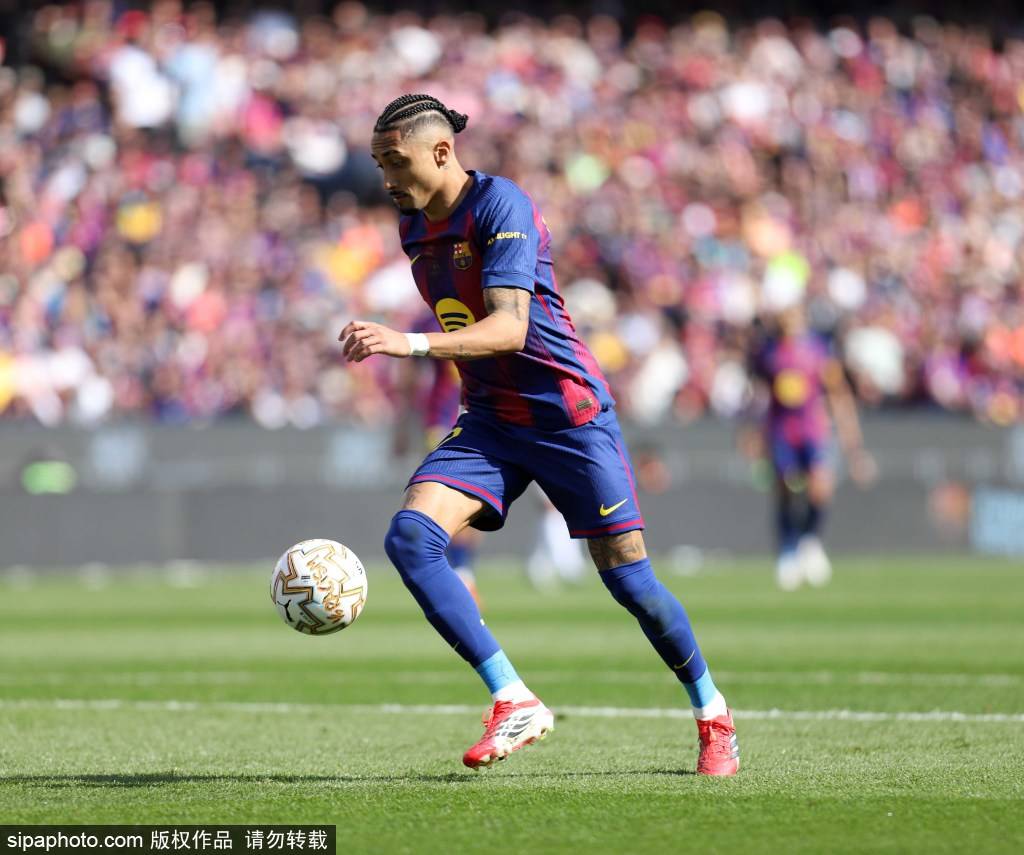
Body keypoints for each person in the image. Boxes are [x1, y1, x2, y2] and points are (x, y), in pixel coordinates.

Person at [339, 94, 738, 775]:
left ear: (442, 151)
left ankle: (712, 712)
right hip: (491, 420)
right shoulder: (413, 224)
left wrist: (406, 343)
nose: (386, 178)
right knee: (409, 537)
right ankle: (512, 696)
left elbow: (510, 329)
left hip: (566, 416)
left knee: (632, 583)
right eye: (379, 164)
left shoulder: (501, 205)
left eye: (396, 161)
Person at [747, 306, 875, 590]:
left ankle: (810, 540)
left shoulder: (818, 352)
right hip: (782, 431)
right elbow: (759, 396)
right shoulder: (769, 354)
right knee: (785, 489)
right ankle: (787, 549)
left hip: (812, 430)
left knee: (821, 485)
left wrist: (852, 443)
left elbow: (838, 394)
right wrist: (754, 433)